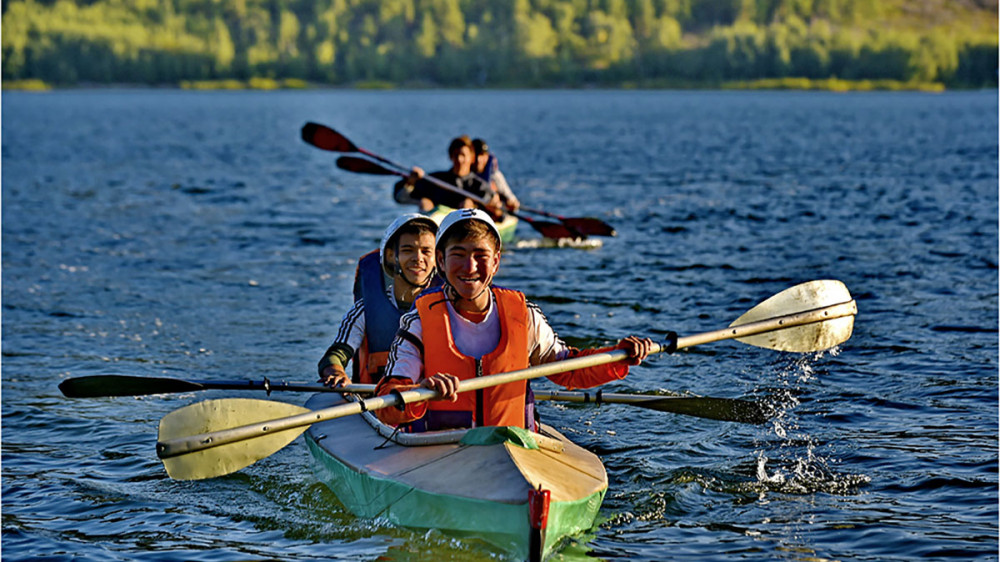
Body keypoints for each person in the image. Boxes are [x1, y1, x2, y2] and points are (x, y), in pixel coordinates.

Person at [372, 209, 655, 431]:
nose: (470, 267)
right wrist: (420, 392)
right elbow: (387, 403)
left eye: (480, 255)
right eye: (458, 255)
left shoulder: (524, 315)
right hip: (440, 448)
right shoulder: (419, 321)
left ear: (496, 262)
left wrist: (618, 358)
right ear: (442, 262)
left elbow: (569, 369)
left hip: (511, 443)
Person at [317, 214, 440, 388]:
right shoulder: (364, 311)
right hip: (376, 405)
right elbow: (335, 355)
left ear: (437, 259)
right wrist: (336, 373)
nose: (418, 258)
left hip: (432, 402)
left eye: (426, 251)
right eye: (407, 250)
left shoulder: (448, 307)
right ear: (390, 256)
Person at [393, 135, 503, 217]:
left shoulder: (479, 186)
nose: (459, 160)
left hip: (468, 233)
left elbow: (498, 213)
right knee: (425, 203)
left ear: (472, 158)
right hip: (439, 228)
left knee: (467, 205)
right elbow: (401, 199)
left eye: (463, 155)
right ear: (450, 157)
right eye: (456, 155)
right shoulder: (436, 180)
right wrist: (411, 182)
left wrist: (482, 206)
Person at [472, 138, 520, 212]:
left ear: (487, 156)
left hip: (493, 211)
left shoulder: (495, 175)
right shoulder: (464, 173)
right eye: (476, 154)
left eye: (482, 155)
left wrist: (512, 203)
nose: (478, 159)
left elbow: (511, 198)